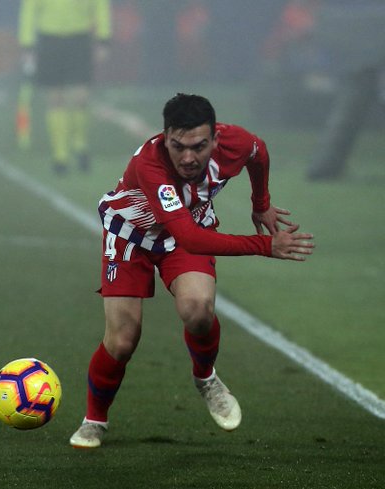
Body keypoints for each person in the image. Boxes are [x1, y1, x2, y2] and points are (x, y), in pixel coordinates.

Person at [69, 93, 314, 448]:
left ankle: (206, 378)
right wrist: (265, 246)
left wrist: (261, 204)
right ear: (164, 136)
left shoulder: (236, 143)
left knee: (198, 310)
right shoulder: (150, 166)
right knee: (122, 340)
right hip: (131, 235)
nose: (187, 157)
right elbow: (191, 239)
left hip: (187, 229)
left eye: (198, 147)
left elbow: (257, 152)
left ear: (216, 139)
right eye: (177, 146)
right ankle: (95, 419)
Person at [18, 0, 112, 175]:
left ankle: (80, 146)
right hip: (49, 40)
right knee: (55, 99)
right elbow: (29, 9)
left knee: (81, 97)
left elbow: (100, 5)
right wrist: (27, 43)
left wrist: (103, 38)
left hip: (79, 39)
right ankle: (60, 156)